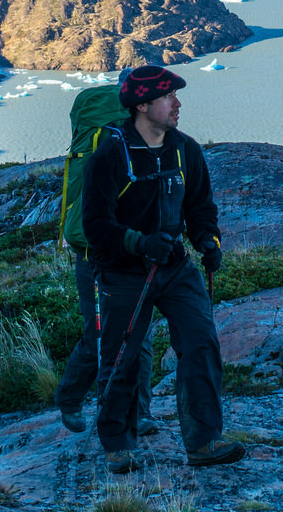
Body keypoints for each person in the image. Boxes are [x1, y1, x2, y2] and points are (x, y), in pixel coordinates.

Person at [82, 65, 244, 472]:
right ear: (142, 104)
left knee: (201, 342)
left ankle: (205, 442)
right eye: (168, 96)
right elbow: (96, 226)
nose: (177, 103)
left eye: (175, 95)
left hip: (174, 266)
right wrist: (139, 242)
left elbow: (200, 206)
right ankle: (118, 444)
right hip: (124, 272)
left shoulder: (185, 149)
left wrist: (208, 241)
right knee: (123, 355)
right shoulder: (110, 155)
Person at [54, 85, 156, 437]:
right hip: (96, 254)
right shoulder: (119, 150)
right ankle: (71, 398)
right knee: (103, 334)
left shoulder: (144, 149)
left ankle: (139, 414)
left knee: (135, 335)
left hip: (128, 255)